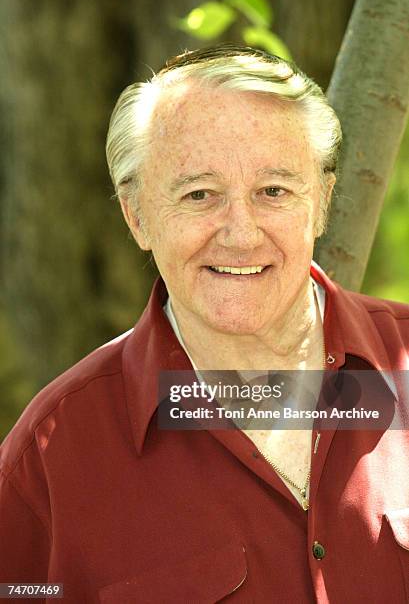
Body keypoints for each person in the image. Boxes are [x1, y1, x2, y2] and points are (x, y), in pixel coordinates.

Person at [1, 44, 408, 603]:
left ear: (322, 201)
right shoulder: (52, 458)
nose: (241, 234)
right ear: (137, 215)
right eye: (199, 194)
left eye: (274, 191)